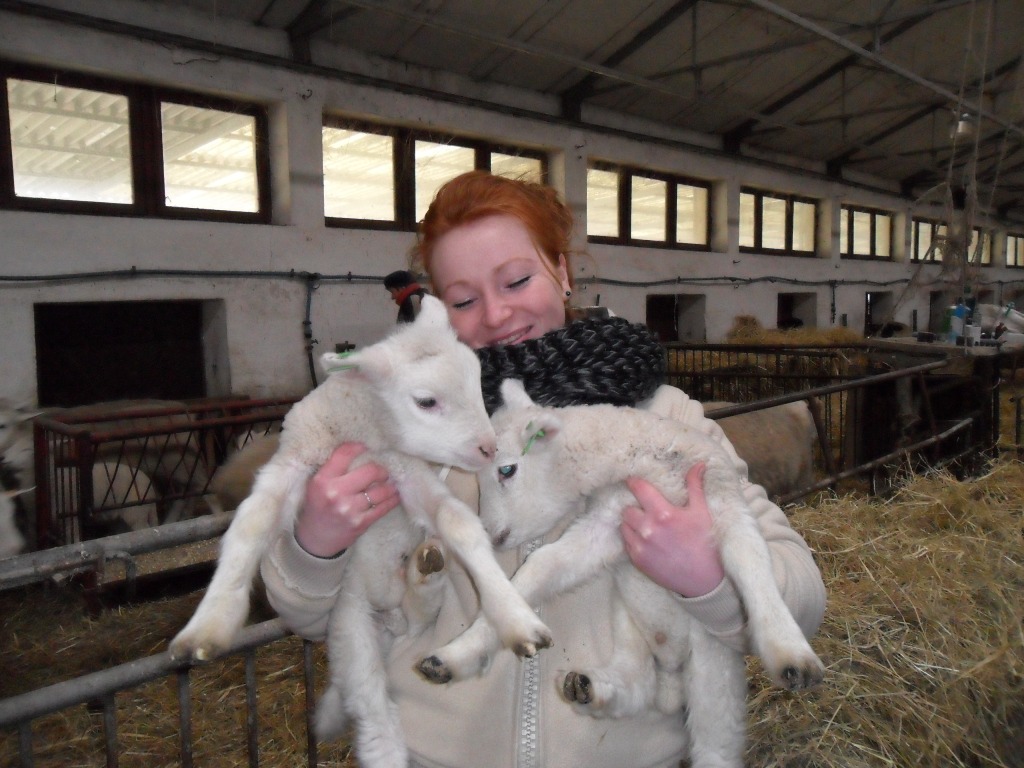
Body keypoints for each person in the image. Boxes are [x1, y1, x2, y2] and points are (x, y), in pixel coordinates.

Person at [261, 171, 826, 768]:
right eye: (464, 300)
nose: (497, 313)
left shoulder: (664, 419)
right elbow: (308, 614)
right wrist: (315, 543)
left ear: (562, 270)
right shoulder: (409, 429)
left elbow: (804, 601)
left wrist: (707, 578)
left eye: (517, 280)